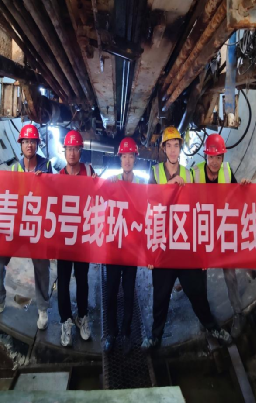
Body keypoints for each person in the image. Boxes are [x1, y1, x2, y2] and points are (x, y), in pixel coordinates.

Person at [142, 127, 232, 351]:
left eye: (176, 145)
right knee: (160, 296)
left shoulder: (190, 173)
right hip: (163, 246)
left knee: (197, 293)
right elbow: (148, 205)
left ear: (180, 148)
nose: (173, 150)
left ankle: (212, 327)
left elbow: (197, 211)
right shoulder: (154, 173)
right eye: (169, 146)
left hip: (184, 244)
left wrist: (201, 252)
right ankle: (155, 337)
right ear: (164, 149)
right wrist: (150, 253)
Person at [0, 125, 53, 331]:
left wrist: (44, 183)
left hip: (36, 227)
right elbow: (7, 197)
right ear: (20, 145)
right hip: (17, 225)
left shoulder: (46, 166)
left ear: (37, 144)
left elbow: (54, 194)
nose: (29, 145)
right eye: (26, 142)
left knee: (42, 265)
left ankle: (43, 308)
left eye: (33, 141)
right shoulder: (14, 169)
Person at [192, 134, 252, 339]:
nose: (215, 162)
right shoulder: (195, 173)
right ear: (205, 157)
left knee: (230, 272)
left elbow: (236, 192)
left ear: (223, 158)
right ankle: (204, 317)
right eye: (211, 157)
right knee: (201, 274)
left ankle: (238, 312)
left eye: (218, 157)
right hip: (203, 229)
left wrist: (243, 186)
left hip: (222, 228)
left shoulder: (226, 171)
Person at [104, 138, 143, 355]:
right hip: (113, 247)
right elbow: (97, 200)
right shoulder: (112, 182)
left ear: (135, 159)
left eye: (130, 156)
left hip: (131, 249)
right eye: (124, 156)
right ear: (120, 159)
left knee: (129, 293)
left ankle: (126, 333)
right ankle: (112, 333)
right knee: (111, 292)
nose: (127, 160)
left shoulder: (141, 185)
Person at [58, 130, 96, 347]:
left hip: (83, 238)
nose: (72, 153)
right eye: (69, 149)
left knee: (82, 279)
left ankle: (82, 316)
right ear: (64, 152)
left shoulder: (89, 172)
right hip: (64, 238)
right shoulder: (57, 176)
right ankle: (65, 320)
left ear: (81, 151)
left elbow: (101, 196)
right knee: (63, 281)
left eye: (75, 149)